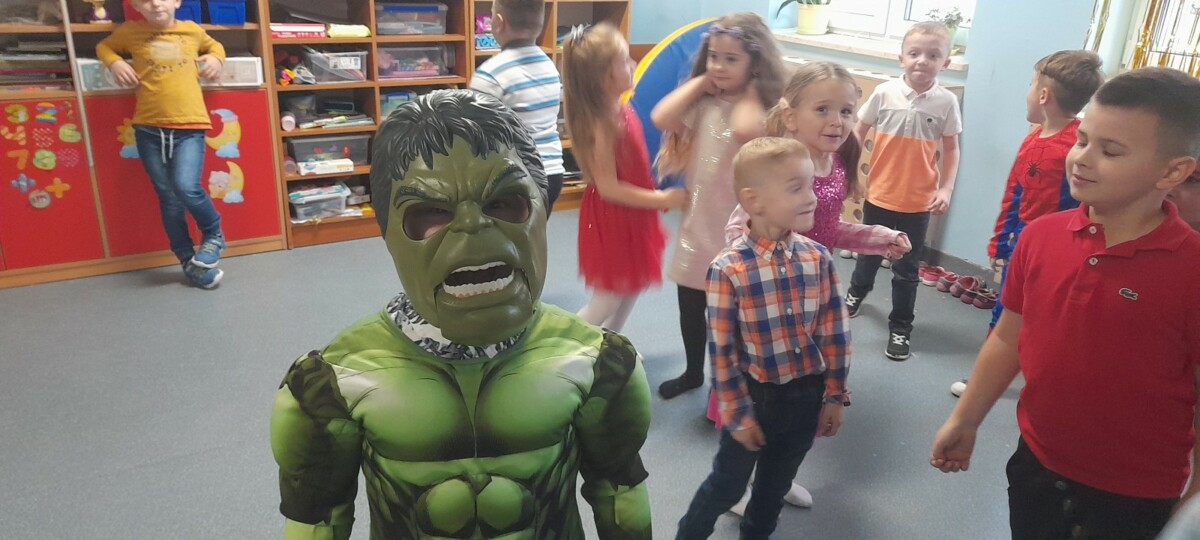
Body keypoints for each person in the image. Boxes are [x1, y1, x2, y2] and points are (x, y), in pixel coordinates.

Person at [270, 90, 654, 539]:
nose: (472, 226)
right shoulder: (335, 382)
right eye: (432, 212)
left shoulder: (597, 364)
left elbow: (620, 498)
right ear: (387, 233)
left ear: (542, 210)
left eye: (503, 202)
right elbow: (318, 519)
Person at [931, 67, 1200, 539]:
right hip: (1035, 461)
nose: (1083, 159)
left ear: (1172, 172)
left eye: (1110, 151)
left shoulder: (1191, 268)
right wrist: (965, 417)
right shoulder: (1040, 237)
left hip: (1133, 493)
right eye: (1083, 140)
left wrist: (1195, 499)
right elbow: (1008, 338)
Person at [717, 61, 911, 513]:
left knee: (801, 396)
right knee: (761, 398)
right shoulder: (780, 166)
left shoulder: (835, 163)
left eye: (845, 111)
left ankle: (778, 475)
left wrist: (877, 238)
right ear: (790, 116)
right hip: (769, 300)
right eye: (822, 109)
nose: (836, 121)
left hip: (811, 296)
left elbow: (828, 230)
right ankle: (738, 487)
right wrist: (753, 272)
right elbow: (738, 226)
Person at [675, 137, 850, 540]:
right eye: (796, 188)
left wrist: (835, 395)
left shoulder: (817, 258)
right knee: (727, 486)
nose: (812, 197)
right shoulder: (728, 269)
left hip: (806, 398)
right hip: (755, 400)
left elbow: (835, 332)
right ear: (753, 201)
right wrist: (737, 415)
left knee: (772, 492)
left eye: (810, 185)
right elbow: (722, 352)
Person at [949, 50, 1104, 398]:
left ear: (1044, 95)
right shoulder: (1033, 138)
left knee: (1044, 318)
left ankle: (1042, 382)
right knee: (1007, 312)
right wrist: (1001, 244)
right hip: (1022, 244)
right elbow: (1015, 193)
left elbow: (1081, 206)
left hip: (1058, 253)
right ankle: (987, 377)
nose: (1028, 92)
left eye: (1031, 85)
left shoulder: (1075, 146)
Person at [651, 12, 787, 399]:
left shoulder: (760, 110)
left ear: (755, 64)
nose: (719, 66)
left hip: (736, 233)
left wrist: (751, 89)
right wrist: (700, 81)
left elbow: (744, 129)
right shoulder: (706, 104)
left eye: (731, 59)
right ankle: (694, 371)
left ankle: (727, 383)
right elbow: (661, 116)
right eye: (713, 56)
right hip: (698, 227)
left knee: (732, 317)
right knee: (690, 307)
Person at [842, 21, 962, 360]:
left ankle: (900, 327)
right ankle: (856, 292)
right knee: (868, 255)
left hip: (918, 203)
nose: (922, 60)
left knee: (907, 271)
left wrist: (946, 188)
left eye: (933, 55)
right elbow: (858, 132)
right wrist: (849, 175)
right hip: (879, 196)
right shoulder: (884, 93)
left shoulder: (946, 102)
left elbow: (951, 149)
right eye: (914, 53)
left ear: (945, 63)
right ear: (901, 59)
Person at [562, 23, 686, 332]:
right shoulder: (602, 124)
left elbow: (631, 163)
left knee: (634, 283)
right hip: (613, 218)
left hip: (632, 214)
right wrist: (661, 198)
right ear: (603, 78)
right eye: (624, 60)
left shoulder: (620, 110)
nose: (634, 64)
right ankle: (566, 345)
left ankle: (612, 341)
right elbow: (609, 188)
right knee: (607, 299)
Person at [96, 0, 227, 288]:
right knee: (168, 198)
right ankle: (188, 263)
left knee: (186, 187)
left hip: (190, 127)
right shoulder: (130, 31)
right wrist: (115, 62)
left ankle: (213, 233)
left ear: (177, 1)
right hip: (149, 129)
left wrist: (216, 59)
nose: (155, 3)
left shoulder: (191, 31)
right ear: (135, 5)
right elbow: (104, 47)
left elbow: (216, 46)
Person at [469, 0, 565, 209]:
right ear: (540, 23)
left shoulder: (490, 75)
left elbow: (475, 136)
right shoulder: (550, 66)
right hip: (552, 173)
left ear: (498, 22)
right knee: (535, 228)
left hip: (515, 178)